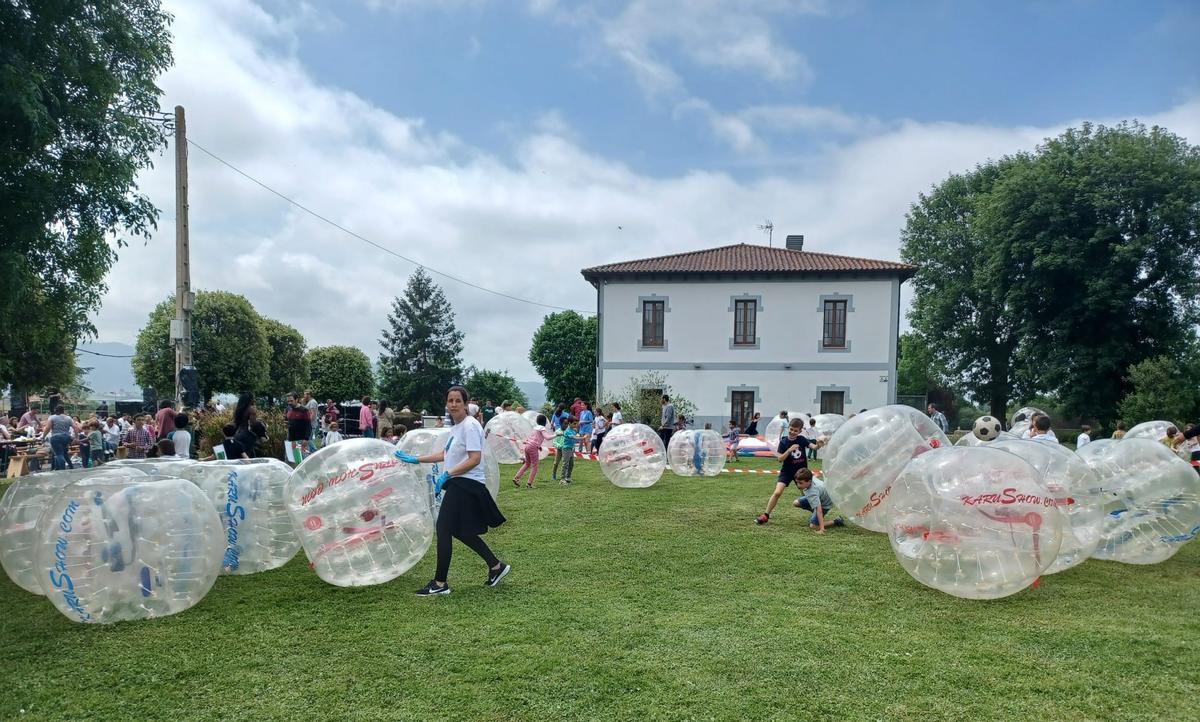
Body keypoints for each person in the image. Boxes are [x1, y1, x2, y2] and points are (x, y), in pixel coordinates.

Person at [394, 386, 509, 597]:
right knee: (460, 531)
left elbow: (474, 459)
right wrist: (416, 459)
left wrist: (447, 475)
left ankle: (440, 583)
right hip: (459, 482)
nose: (454, 404)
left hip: (466, 484)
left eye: (458, 401)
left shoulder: (470, 426)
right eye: (450, 401)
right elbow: (445, 454)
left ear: (466, 404)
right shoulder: (456, 428)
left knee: (443, 527)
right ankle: (496, 566)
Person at [756, 418, 818, 525]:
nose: (793, 432)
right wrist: (789, 450)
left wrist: (819, 444)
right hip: (787, 472)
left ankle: (817, 513)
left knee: (808, 495)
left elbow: (814, 447)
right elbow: (780, 459)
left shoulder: (802, 439)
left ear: (799, 431)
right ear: (788, 428)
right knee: (777, 492)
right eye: (791, 429)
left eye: (795, 430)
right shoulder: (784, 442)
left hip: (801, 472)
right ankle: (765, 515)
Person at [792, 468, 845, 533]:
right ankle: (815, 512)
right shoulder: (811, 478)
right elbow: (814, 475)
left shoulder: (812, 492)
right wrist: (816, 475)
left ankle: (837, 521)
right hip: (819, 497)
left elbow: (819, 510)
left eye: (800, 483)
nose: (798, 485)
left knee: (813, 526)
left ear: (809, 481)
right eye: (797, 482)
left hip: (824, 505)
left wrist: (822, 528)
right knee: (796, 503)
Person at [513, 414, 551, 488]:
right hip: (533, 447)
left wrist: (538, 446)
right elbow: (547, 437)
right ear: (545, 422)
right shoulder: (542, 428)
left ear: (537, 421)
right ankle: (529, 483)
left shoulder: (535, 428)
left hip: (527, 446)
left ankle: (517, 477)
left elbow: (533, 438)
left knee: (527, 464)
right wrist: (556, 435)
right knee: (535, 466)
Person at [42, 405, 77, 471]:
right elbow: (75, 427)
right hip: (66, 437)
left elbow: (47, 428)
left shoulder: (52, 417)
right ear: (63, 410)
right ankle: (69, 466)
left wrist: (43, 437)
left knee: (59, 454)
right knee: (64, 452)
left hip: (56, 437)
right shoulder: (68, 418)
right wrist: (76, 437)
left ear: (56, 410)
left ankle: (62, 469)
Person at [560, 417, 581, 485]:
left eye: (576, 424)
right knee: (565, 464)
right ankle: (562, 479)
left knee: (571, 464)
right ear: (569, 423)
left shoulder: (573, 430)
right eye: (574, 424)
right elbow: (573, 437)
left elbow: (576, 435)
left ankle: (568, 477)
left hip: (571, 449)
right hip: (566, 449)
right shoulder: (567, 431)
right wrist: (582, 438)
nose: (576, 425)